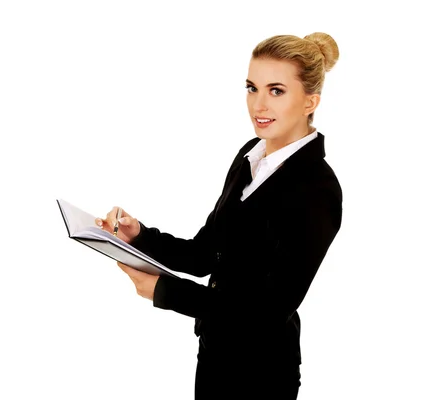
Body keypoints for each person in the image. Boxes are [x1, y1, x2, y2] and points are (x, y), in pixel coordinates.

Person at [96, 32, 342, 400]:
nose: (258, 104)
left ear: (310, 101)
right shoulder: (251, 156)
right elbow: (205, 253)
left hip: (262, 376)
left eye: (276, 91)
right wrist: (140, 237)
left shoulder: (318, 189)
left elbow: (269, 311)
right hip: (214, 360)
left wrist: (166, 291)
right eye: (251, 87)